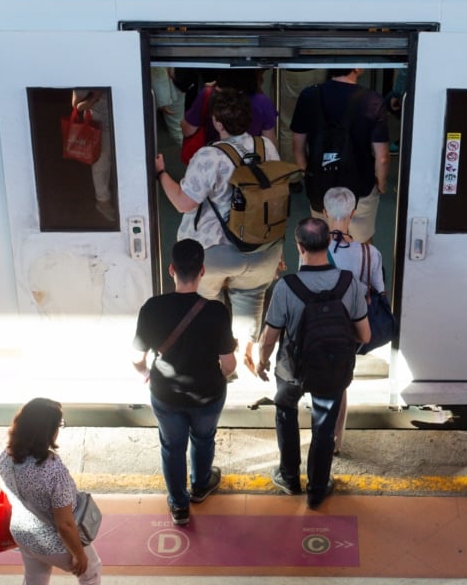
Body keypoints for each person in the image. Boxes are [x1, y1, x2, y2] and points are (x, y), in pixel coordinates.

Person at [156, 87, 285, 375]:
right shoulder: (267, 147)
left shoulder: (209, 156)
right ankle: (249, 352)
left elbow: (183, 203)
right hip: (264, 250)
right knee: (250, 299)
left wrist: (162, 174)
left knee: (207, 305)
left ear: (217, 122)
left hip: (214, 253)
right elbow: (275, 201)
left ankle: (219, 362)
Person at [255, 218, 370, 508]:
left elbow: (270, 336)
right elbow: (365, 335)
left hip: (292, 370)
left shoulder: (286, 287)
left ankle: (289, 477)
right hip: (332, 369)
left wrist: (262, 361)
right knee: (323, 425)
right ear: (329, 244)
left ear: (299, 247)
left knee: (285, 412)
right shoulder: (349, 283)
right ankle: (318, 490)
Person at [131, 239, 237, 525]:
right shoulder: (216, 312)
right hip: (208, 395)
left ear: (171, 270)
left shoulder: (152, 308)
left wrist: (145, 374)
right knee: (203, 439)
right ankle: (201, 486)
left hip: (166, 395)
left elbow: (137, 358)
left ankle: (179, 505)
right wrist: (219, 377)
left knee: (172, 446)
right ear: (202, 271)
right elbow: (228, 365)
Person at [0, 398, 123, 585]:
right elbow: (64, 524)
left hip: (23, 534)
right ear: (48, 431)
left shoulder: (6, 457)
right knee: (90, 572)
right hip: (54, 543)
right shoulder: (53, 470)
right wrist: (78, 554)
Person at [321, 186, 387, 453]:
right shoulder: (370, 253)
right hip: (352, 329)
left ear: (325, 213)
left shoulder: (313, 249)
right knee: (342, 382)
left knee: (323, 379)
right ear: (354, 213)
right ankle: (337, 441)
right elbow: (380, 291)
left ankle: (321, 435)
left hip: (321, 325)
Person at [290, 68, 390, 243]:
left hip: (320, 184)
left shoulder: (309, 95)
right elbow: (382, 157)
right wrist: (381, 184)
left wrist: (307, 173)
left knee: (321, 242)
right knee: (361, 243)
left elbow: (298, 147)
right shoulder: (373, 100)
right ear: (357, 68)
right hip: (361, 185)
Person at [181, 69, 278, 151]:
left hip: (216, 158)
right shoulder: (264, 102)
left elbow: (188, 130)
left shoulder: (209, 95)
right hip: (251, 164)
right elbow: (270, 144)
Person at [72, 88, 116, 222]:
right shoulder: (87, 76)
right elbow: (77, 106)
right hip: (100, 125)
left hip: (124, 120)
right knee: (102, 162)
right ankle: (103, 201)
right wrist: (95, 96)